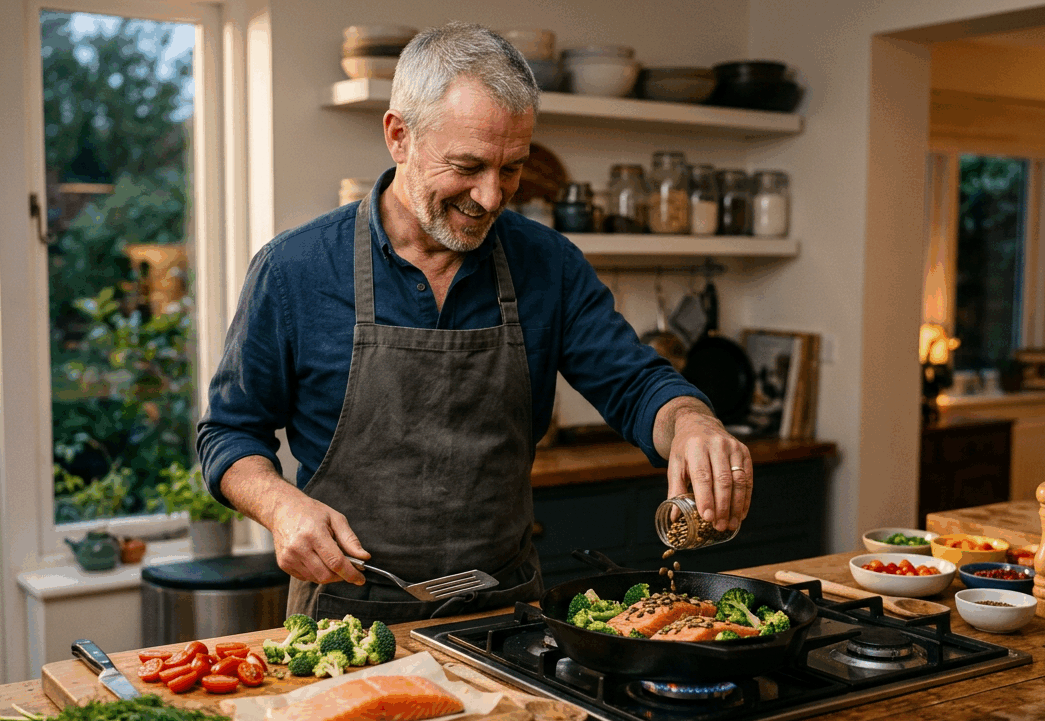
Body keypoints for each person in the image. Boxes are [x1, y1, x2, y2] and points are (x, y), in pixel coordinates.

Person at [196, 21, 752, 625]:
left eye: (511, 168)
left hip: (507, 612)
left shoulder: (548, 264)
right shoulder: (295, 270)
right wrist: (280, 506)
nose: (490, 196)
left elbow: (636, 385)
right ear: (399, 136)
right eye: (467, 166)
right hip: (346, 616)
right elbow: (229, 435)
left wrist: (693, 422)